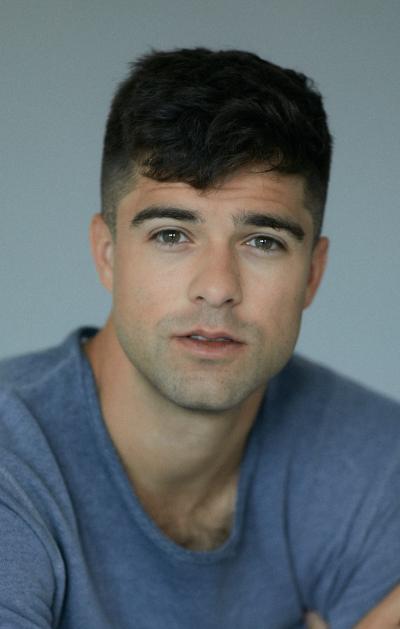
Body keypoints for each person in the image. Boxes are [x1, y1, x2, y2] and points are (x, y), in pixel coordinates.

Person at [0, 47, 399, 629]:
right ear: (108, 254)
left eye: (263, 242)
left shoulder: (376, 460)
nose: (217, 288)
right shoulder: (13, 460)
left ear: (312, 274)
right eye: (171, 234)